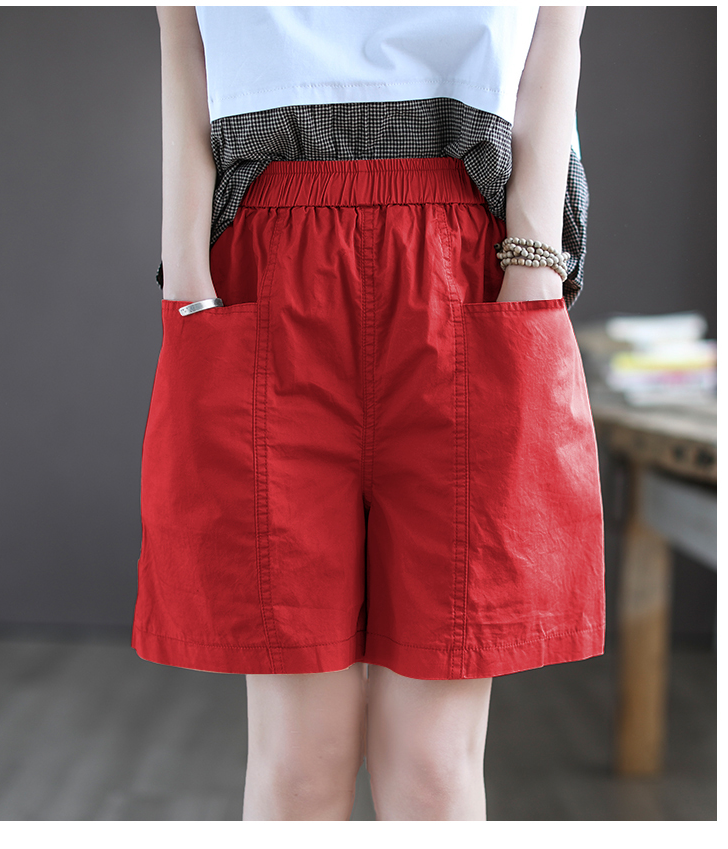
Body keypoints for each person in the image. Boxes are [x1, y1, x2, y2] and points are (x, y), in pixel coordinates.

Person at [131, 5, 605, 821]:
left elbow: (557, 27)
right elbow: (184, 33)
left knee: (434, 763)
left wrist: (533, 259)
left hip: (469, 267)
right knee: (298, 758)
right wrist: (185, 272)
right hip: (264, 270)